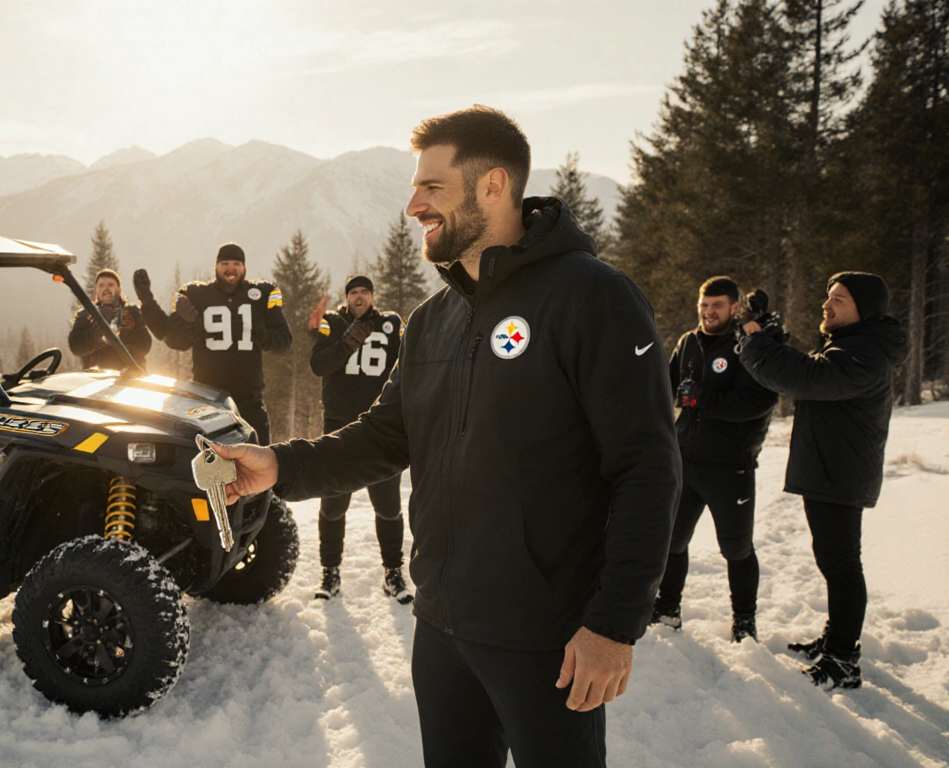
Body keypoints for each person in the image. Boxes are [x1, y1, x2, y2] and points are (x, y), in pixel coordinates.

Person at [209, 105, 680, 768]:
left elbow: (649, 468)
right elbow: (384, 436)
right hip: (442, 631)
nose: (413, 206)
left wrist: (613, 624)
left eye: (431, 188)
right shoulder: (433, 320)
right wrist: (279, 465)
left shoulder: (592, 297)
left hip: (547, 639)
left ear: (492, 185)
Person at [738, 271, 908, 690]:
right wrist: (773, 339)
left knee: (842, 564)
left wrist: (757, 342)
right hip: (833, 469)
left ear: (863, 310)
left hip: (841, 472)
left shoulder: (865, 353)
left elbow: (808, 378)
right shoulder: (853, 346)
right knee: (834, 561)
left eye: (839, 299)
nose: (826, 305)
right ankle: (837, 641)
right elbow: (811, 369)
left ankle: (844, 660)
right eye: (827, 296)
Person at [652, 276, 777, 642]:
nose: (709, 313)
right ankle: (668, 609)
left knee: (736, 548)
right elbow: (668, 387)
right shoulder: (689, 342)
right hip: (686, 461)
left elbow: (760, 401)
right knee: (672, 541)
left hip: (730, 466)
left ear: (734, 308)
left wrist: (703, 399)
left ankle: (744, 620)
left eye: (717, 306)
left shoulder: (746, 345)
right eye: (704, 306)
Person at [307, 275, 409, 603]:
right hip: (339, 426)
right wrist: (348, 342)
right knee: (334, 505)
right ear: (346, 297)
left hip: (382, 427)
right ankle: (330, 571)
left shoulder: (391, 323)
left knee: (388, 505)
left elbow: (409, 362)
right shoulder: (333, 323)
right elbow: (318, 365)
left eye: (365, 291)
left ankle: (393, 573)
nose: (359, 297)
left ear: (373, 296)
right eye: (353, 292)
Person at [133, 244, 291, 444]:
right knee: (209, 468)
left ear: (244, 268)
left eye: (236, 264)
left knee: (259, 466)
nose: (230, 268)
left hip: (249, 401)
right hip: (206, 402)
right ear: (216, 267)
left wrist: (262, 334)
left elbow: (283, 343)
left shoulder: (262, 294)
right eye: (225, 263)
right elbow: (173, 339)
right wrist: (149, 303)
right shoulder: (196, 294)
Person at [66, 268, 152, 371]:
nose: (106, 289)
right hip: (95, 379)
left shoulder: (133, 313)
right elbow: (75, 346)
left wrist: (121, 332)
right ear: (96, 290)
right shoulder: (86, 314)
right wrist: (96, 335)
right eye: (101, 285)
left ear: (119, 289)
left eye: (110, 285)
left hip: (129, 378)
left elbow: (145, 344)